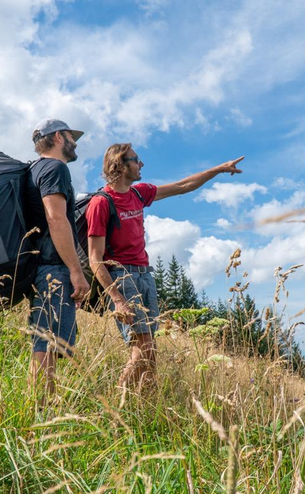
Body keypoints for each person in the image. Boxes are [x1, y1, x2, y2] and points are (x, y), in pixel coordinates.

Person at [86, 143, 244, 391]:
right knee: (143, 348)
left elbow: (183, 186)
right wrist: (117, 300)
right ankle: (115, 407)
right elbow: (95, 259)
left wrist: (219, 169)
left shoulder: (139, 194)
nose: (142, 164)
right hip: (121, 277)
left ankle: (145, 410)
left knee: (151, 348)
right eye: (136, 159)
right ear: (120, 164)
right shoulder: (101, 203)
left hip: (145, 276)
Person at [24, 118, 90, 407]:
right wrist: (76, 271)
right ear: (59, 137)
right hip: (53, 268)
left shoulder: (33, 170)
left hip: (38, 267)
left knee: (46, 342)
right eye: (71, 136)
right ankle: (41, 415)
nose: (75, 142)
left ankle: (39, 409)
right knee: (48, 346)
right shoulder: (55, 168)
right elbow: (56, 218)